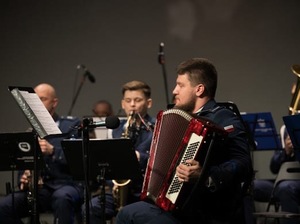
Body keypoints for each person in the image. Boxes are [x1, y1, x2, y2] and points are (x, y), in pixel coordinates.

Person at [115, 58, 253, 224]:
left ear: (199, 89)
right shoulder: (177, 118)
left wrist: (205, 175)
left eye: (180, 85)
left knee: (127, 215)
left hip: (207, 211)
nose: (174, 91)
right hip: (176, 207)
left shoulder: (223, 118)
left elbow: (244, 163)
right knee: (130, 212)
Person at [0, 83, 84, 224]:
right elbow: (23, 163)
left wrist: (53, 151)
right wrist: (24, 179)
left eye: (43, 99)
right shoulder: (30, 131)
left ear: (54, 103)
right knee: (4, 206)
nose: (38, 104)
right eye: (35, 100)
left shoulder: (71, 125)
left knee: (62, 198)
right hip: (41, 189)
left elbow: (80, 158)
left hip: (67, 185)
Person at [86, 80, 156, 223]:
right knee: (90, 208)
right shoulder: (116, 128)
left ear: (148, 103)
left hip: (144, 191)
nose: (132, 105)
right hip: (118, 189)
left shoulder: (157, 127)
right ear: (122, 103)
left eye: (137, 100)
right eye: (128, 100)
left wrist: (140, 156)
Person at [253, 128, 300, 224]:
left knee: (286, 188)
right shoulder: (286, 130)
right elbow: (274, 168)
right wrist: (286, 152)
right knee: (250, 186)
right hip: (280, 183)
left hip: (292, 184)